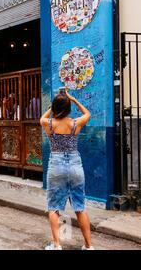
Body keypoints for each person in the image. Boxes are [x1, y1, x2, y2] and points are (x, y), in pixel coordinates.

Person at [40, 88, 93, 250]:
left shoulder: (48, 123)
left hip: (56, 165)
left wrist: (54, 106)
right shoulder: (75, 124)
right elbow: (88, 113)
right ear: (69, 108)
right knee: (80, 207)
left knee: (54, 207)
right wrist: (73, 99)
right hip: (75, 165)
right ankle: (89, 246)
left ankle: (57, 245)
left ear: (55, 108)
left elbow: (43, 117)